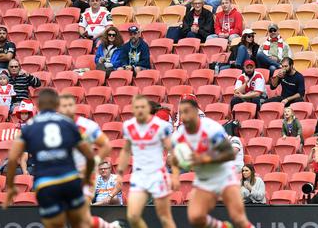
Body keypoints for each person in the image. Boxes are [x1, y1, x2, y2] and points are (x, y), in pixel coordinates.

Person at [2, 89, 96, 228]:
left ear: (38, 105)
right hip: (70, 179)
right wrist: (87, 178)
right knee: (79, 223)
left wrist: (10, 187)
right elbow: (89, 156)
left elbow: (12, 159)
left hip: (46, 183)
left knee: (53, 225)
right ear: (57, 104)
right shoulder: (68, 123)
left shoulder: (29, 127)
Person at [173, 97, 255, 228]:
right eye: (181, 112)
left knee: (238, 219)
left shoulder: (212, 128)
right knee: (196, 216)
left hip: (224, 175)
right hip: (205, 179)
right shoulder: (180, 134)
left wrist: (204, 158)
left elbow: (229, 153)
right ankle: (223, 227)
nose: (184, 116)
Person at [57, 94, 122, 228]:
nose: (67, 109)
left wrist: (95, 161)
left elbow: (106, 145)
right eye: (64, 106)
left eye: (70, 105)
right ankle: (110, 226)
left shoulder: (87, 125)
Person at [117, 95, 177, 228]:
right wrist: (120, 173)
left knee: (165, 218)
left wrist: (176, 175)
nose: (139, 110)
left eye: (142, 107)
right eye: (136, 107)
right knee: (133, 216)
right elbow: (126, 150)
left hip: (158, 175)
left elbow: (172, 150)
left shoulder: (161, 126)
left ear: (148, 109)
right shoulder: (129, 126)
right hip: (139, 176)